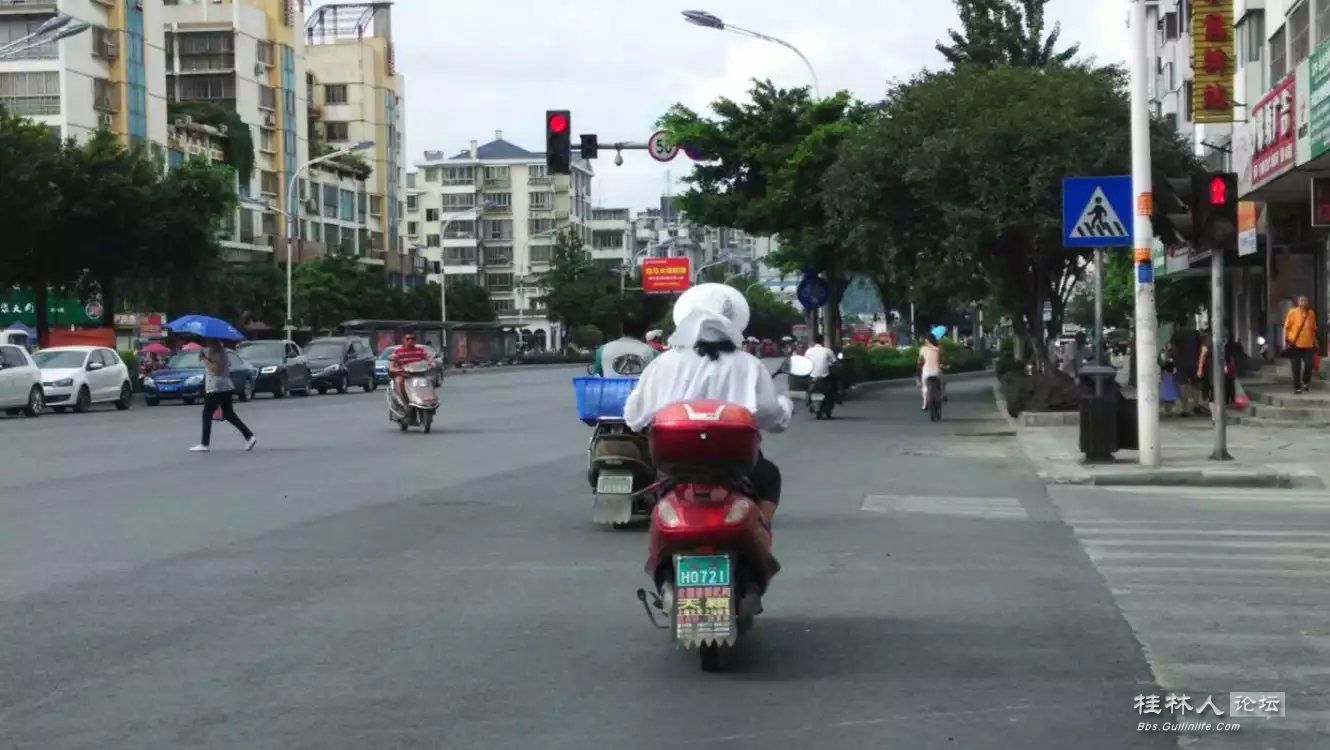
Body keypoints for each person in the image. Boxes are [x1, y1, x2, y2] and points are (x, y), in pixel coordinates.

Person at [624, 284, 792, 529]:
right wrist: (786, 407)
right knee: (769, 477)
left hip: (674, 465)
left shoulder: (664, 364)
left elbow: (634, 417)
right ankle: (759, 530)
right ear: (733, 321)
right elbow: (770, 415)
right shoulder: (748, 364)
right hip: (736, 464)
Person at [190, 339, 256, 452]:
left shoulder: (213, 352)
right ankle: (249, 436)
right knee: (229, 414)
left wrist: (204, 359)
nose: (206, 341)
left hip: (216, 388)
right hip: (226, 386)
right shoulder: (223, 351)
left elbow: (215, 370)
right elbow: (227, 365)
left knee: (207, 413)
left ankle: (204, 444)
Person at [594, 309, 657, 376]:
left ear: (621, 327)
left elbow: (597, 376)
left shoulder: (603, 350)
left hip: (611, 386)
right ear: (645, 331)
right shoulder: (652, 353)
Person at [1284, 296, 1318, 394]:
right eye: (1302, 300)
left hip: (1308, 345)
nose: (1304, 302)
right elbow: (1286, 328)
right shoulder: (1292, 312)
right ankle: (1297, 387)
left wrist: (1315, 341)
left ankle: (1306, 382)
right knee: (1296, 366)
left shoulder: (1311, 313)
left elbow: (1313, 329)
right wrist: (1284, 342)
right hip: (1294, 344)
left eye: (1306, 300)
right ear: (1298, 302)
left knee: (1309, 364)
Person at [1170, 319, 1203, 414]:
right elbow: (1202, 347)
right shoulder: (1196, 334)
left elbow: (1173, 349)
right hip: (1195, 362)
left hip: (1181, 363)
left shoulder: (1177, 334)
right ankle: (1196, 405)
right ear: (1189, 323)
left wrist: (1175, 359)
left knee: (1183, 384)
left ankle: (1185, 408)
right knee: (1196, 384)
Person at [389, 330, 430, 402]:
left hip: (418, 374)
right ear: (403, 340)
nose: (410, 340)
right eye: (408, 339)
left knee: (428, 381)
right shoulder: (397, 351)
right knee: (399, 381)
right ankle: (403, 401)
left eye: (412, 339)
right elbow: (391, 365)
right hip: (404, 374)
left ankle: (427, 399)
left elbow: (428, 358)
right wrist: (394, 369)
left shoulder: (420, 350)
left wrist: (432, 363)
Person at [917, 333, 943, 411]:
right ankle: (942, 396)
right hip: (937, 371)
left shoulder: (923, 349)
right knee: (943, 382)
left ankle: (924, 404)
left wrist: (919, 367)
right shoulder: (939, 348)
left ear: (927, 341)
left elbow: (919, 361)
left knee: (924, 387)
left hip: (926, 372)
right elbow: (943, 359)